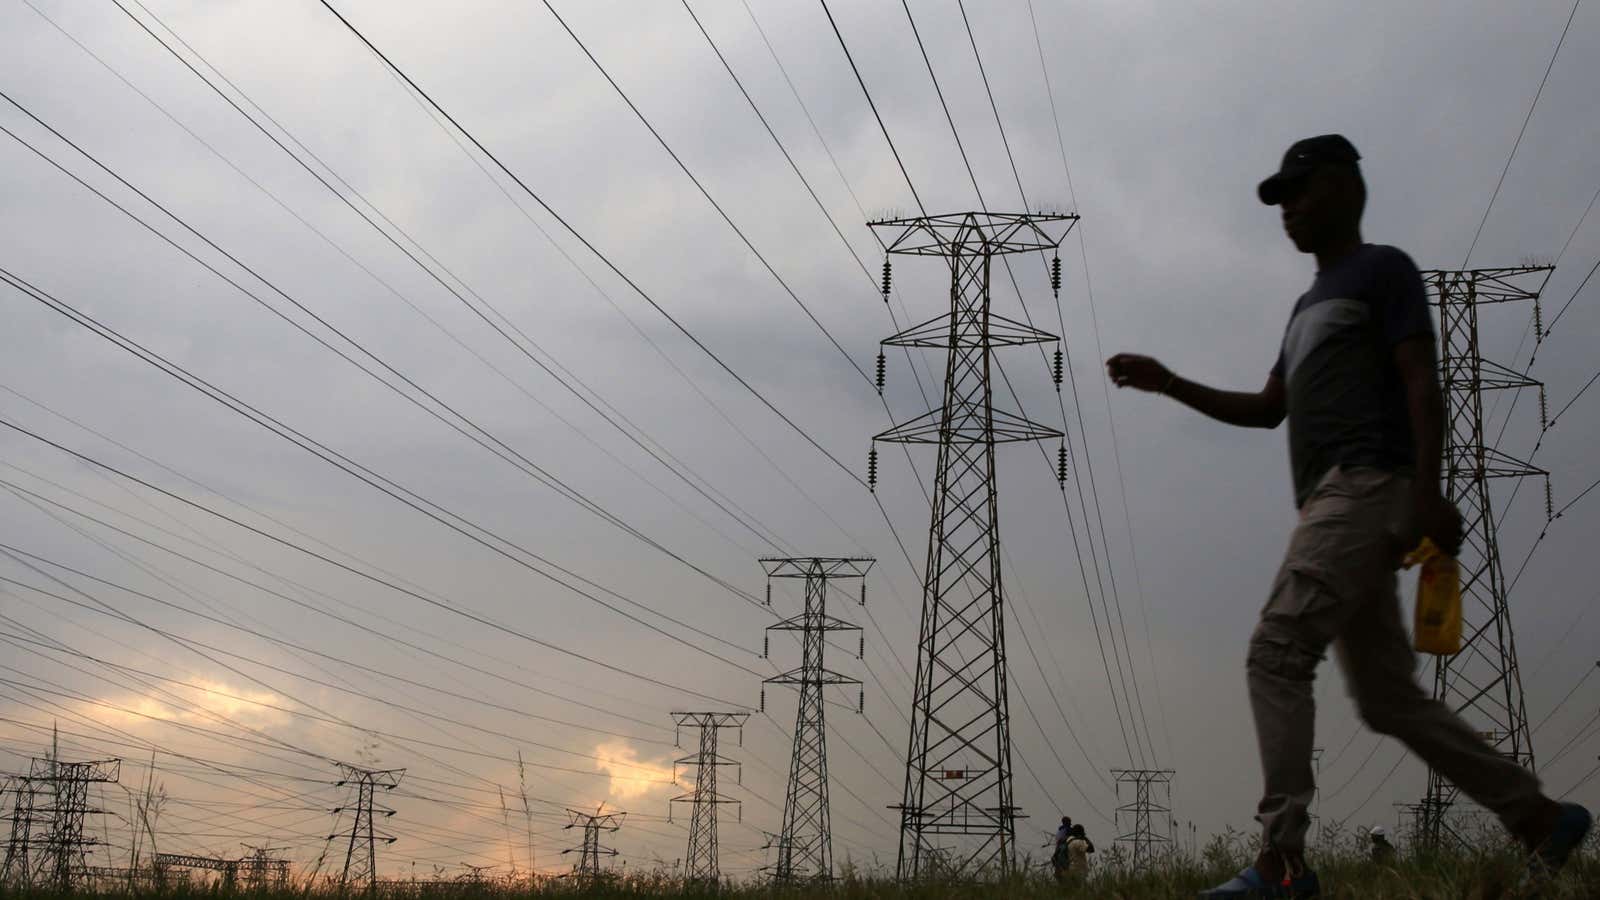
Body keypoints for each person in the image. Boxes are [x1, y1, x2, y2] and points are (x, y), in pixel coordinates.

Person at [1105, 134, 1592, 898]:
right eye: (1278, 201)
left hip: (1365, 489)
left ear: (1344, 187)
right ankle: (1538, 818)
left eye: (1298, 193)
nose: (1287, 211)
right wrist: (1169, 382)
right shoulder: (1304, 307)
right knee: (1388, 698)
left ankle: (1283, 863)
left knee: (1277, 649)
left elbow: (1420, 381)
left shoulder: (1383, 271)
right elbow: (1270, 409)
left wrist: (1427, 489)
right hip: (1333, 502)